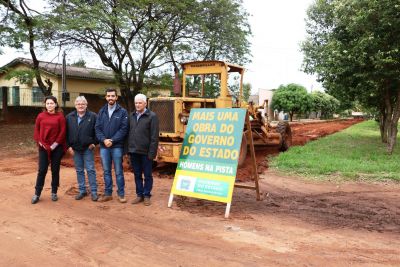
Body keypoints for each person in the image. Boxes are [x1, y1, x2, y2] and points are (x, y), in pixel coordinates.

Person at [95, 88, 128, 203]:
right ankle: (108, 193)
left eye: (112, 96)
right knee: (106, 171)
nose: (110, 98)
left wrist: (112, 140)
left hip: (117, 146)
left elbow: (124, 129)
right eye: (108, 96)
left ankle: (121, 194)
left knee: (118, 171)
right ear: (106, 97)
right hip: (104, 147)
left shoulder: (122, 112)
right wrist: (104, 140)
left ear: (116, 97)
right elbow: (97, 128)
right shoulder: (101, 111)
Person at [31, 96, 66, 204]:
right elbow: (37, 131)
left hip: (56, 147)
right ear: (45, 105)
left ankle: (54, 192)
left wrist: (54, 145)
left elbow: (62, 132)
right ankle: (37, 193)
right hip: (43, 147)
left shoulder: (60, 117)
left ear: (56, 104)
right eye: (47, 103)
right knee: (42, 170)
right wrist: (41, 143)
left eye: (51, 103)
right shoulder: (40, 116)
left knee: (55, 170)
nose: (49, 105)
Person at [128, 93, 159, 206]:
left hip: (146, 152)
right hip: (133, 151)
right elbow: (129, 133)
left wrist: (152, 153)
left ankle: (146, 195)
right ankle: (139, 195)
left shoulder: (152, 116)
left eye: (140, 102)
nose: (137, 105)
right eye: (136, 103)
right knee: (137, 174)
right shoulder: (131, 116)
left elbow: (154, 137)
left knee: (147, 175)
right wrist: (128, 150)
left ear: (145, 103)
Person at [66, 96, 98, 201]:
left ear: (86, 105)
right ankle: (82, 191)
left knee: (90, 170)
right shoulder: (69, 117)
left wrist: (94, 143)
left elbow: (98, 131)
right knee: (79, 170)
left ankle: (93, 192)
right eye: (78, 104)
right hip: (75, 149)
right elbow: (65, 133)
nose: (80, 106)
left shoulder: (93, 116)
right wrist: (68, 146)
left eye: (83, 104)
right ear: (75, 105)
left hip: (87, 149)